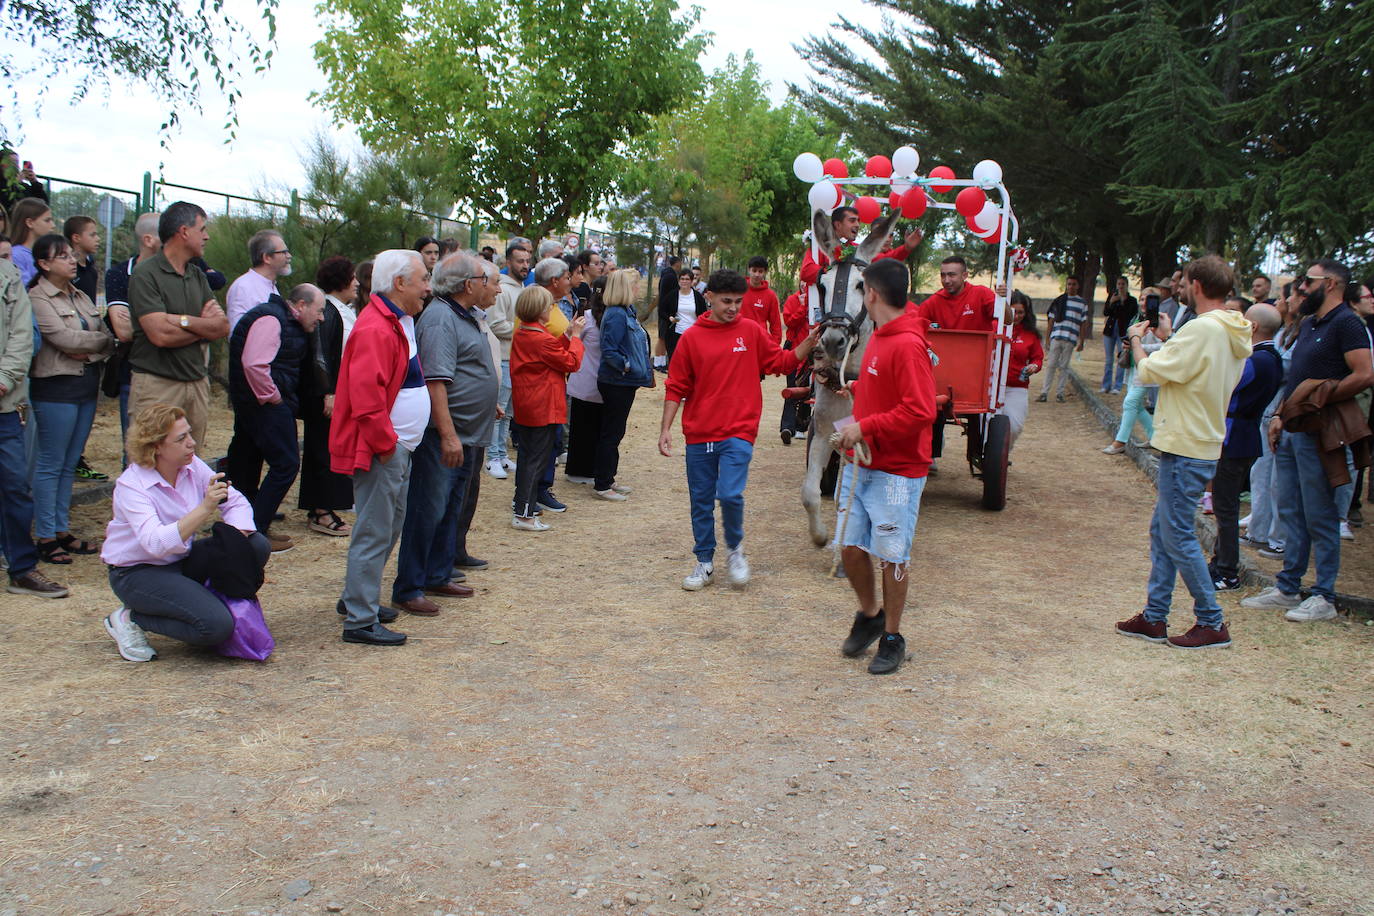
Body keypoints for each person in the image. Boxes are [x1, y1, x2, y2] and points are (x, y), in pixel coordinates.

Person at [1115, 255, 1253, 650]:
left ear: (1196, 285)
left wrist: (1139, 340)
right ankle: (1154, 617)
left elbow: (1151, 372)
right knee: (1164, 531)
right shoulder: (1229, 328)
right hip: (1199, 438)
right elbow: (1190, 368)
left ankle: (1211, 621)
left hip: (1186, 442)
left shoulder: (1205, 329)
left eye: (1184, 282)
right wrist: (1169, 337)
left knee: (1175, 534)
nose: (1178, 288)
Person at [658, 269, 819, 591]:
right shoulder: (691, 338)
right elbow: (676, 386)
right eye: (726, 301)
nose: (733, 308)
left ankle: (735, 551)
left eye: (738, 302)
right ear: (710, 298)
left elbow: (783, 362)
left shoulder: (751, 331)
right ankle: (704, 562)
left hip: (739, 431)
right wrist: (665, 429)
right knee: (701, 501)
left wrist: (808, 344)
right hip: (700, 433)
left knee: (729, 494)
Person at [1242, 259, 1374, 622]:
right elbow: (1299, 377)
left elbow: (1365, 375)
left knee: (1321, 515)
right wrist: (1282, 414)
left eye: (1306, 282)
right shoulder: (1311, 323)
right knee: (1290, 511)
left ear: (1330, 284)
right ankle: (1288, 587)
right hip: (1293, 429)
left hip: (1321, 433)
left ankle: (1323, 596)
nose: (1299, 289)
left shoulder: (1348, 324)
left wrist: (1320, 398)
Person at [99, 405, 269, 661]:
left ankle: (211, 602)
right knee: (216, 627)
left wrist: (236, 539)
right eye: (181, 439)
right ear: (155, 446)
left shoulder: (192, 466)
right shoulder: (131, 486)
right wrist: (204, 509)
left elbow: (235, 503)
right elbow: (155, 543)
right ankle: (130, 617)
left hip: (181, 559)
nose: (192, 443)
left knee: (255, 544)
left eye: (189, 434)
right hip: (138, 572)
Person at [833, 259, 937, 675]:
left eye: (862, 291)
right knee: (850, 545)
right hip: (861, 463)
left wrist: (866, 425)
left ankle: (892, 636)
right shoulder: (878, 335)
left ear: (872, 294)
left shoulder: (907, 344)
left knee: (893, 556)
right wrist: (861, 388)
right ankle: (870, 614)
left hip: (897, 471)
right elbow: (890, 389)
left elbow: (920, 410)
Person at [330, 249, 432, 646]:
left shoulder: (397, 319)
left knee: (386, 526)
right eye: (423, 278)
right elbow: (366, 398)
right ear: (400, 283)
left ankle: (360, 599)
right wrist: (387, 446)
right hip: (382, 449)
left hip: (395, 447)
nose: (428, 286)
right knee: (375, 531)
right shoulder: (376, 327)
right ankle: (359, 619)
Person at [390, 251, 499, 615]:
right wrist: (448, 434)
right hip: (444, 437)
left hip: (467, 433)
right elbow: (435, 380)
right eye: (486, 280)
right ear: (468, 285)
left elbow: (465, 371)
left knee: (449, 508)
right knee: (428, 509)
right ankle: (410, 586)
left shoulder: (461, 316)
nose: (490, 287)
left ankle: (437, 574)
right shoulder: (439, 318)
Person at [26, 233, 115, 563]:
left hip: (85, 387)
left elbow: (104, 337)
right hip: (55, 390)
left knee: (68, 463)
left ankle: (61, 529)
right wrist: (92, 343)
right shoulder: (37, 297)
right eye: (62, 256)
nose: (71, 260)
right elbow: (61, 337)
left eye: (70, 255)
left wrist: (87, 346)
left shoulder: (79, 294)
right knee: (51, 463)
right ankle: (45, 536)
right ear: (44, 264)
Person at [225, 283, 327, 552]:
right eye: (319, 310)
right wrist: (274, 398)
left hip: (260, 403)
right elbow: (254, 364)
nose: (321, 318)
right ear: (301, 306)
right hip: (265, 404)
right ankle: (254, 532)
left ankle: (249, 529)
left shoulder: (282, 319)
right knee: (286, 465)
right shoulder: (272, 318)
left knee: (249, 465)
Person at [126, 202, 229, 452]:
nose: (207, 236)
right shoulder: (146, 274)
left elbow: (222, 327)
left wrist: (183, 320)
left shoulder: (197, 276)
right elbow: (160, 335)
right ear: (184, 232)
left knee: (190, 466)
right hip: (157, 386)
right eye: (202, 229)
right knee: (150, 462)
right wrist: (203, 330)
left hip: (196, 384)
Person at [1207, 303, 1284, 591]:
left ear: (1252, 327)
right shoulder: (1271, 358)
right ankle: (1220, 562)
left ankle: (1226, 570)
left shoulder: (1258, 360)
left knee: (1225, 508)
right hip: (1244, 434)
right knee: (1224, 505)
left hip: (1236, 436)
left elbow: (1226, 385)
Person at [509, 286, 584, 530]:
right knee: (536, 460)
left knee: (529, 457)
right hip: (542, 405)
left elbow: (552, 353)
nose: (551, 310)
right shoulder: (539, 338)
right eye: (549, 306)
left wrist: (567, 336)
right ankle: (525, 513)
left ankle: (522, 506)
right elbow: (571, 362)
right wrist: (576, 339)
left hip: (530, 404)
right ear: (540, 310)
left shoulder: (526, 333)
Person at [298, 256, 357, 537]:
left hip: (339, 393)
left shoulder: (341, 310)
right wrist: (328, 392)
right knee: (321, 450)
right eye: (352, 277)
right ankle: (320, 510)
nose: (357, 282)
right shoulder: (329, 311)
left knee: (331, 449)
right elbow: (321, 354)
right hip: (327, 395)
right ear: (341, 280)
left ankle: (328, 504)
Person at [593, 268, 654, 501]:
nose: (638, 289)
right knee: (611, 432)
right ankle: (602, 483)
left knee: (616, 431)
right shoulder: (617, 314)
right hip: (616, 381)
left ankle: (608, 478)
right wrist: (627, 366)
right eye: (636, 285)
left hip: (624, 382)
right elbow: (609, 351)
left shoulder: (626, 312)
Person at [104, 211, 162, 455]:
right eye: (166, 234)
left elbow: (211, 324)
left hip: (176, 375)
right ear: (148, 240)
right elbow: (123, 331)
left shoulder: (186, 272)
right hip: (135, 375)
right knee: (138, 453)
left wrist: (147, 319)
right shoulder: (118, 274)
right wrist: (163, 322)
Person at [484, 240, 531, 479]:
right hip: (502, 358)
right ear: (508, 262)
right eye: (519, 260)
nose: (525, 265)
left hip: (517, 359)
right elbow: (495, 324)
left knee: (509, 413)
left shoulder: (522, 289)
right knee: (498, 411)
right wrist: (525, 330)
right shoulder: (502, 289)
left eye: (527, 260)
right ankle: (492, 457)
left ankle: (502, 454)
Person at [1101, 287, 1165, 454]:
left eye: (1148, 299)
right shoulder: (1138, 318)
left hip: (1147, 368)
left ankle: (1120, 441)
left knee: (1130, 402)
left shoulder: (1159, 320)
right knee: (1136, 406)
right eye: (1142, 299)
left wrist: (1140, 345)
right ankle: (1154, 436)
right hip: (1132, 366)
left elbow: (1165, 345)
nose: (1144, 303)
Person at [565, 277, 607, 485]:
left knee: (591, 426)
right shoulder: (586, 317)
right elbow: (571, 340)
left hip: (595, 381)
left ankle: (588, 467)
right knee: (583, 427)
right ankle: (578, 469)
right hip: (586, 378)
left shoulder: (609, 317)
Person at [999, 291, 1043, 449]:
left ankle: (1002, 454)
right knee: (987, 424)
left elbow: (1037, 358)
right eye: (1013, 311)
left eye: (1021, 312)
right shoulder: (995, 327)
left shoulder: (1031, 334)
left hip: (1017, 387)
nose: (1016, 316)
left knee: (1015, 426)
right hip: (992, 385)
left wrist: (1034, 366)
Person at [226, 229, 291, 331]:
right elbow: (237, 333)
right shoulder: (243, 287)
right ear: (267, 258)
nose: (289, 256)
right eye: (284, 252)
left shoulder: (271, 286)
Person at [1036, 276, 1087, 402]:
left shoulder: (1082, 303)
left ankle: (1060, 393)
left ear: (1078, 286)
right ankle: (1044, 392)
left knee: (1064, 366)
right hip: (1057, 336)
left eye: (1074, 284)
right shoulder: (1059, 301)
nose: (1071, 286)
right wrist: (1047, 338)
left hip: (1070, 338)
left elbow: (1083, 323)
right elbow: (1051, 320)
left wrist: (1082, 341)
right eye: (1069, 284)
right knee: (1051, 365)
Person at [913, 256, 997, 331]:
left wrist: (1002, 299)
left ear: (964, 275)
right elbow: (915, 326)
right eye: (943, 275)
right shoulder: (933, 301)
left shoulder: (982, 294)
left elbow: (1007, 320)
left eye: (951, 275)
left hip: (980, 348)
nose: (946, 280)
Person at [779, 289, 813, 445]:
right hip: (794, 352)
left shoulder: (818, 299)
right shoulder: (793, 300)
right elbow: (790, 322)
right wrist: (802, 306)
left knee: (808, 390)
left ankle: (801, 426)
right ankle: (787, 427)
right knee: (791, 389)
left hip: (812, 353)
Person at [1101, 277, 1136, 393]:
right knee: (1108, 359)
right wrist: (1111, 302)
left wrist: (1122, 302)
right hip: (1110, 330)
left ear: (1127, 285)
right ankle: (1106, 385)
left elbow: (1130, 315)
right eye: (1119, 284)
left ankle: (1118, 386)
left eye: (1123, 284)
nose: (1120, 286)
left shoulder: (1131, 300)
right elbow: (1106, 312)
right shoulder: (1112, 297)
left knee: (1122, 357)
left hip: (1123, 332)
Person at [8, 197, 54, 284]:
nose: (53, 225)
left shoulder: (45, 252)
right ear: (30, 223)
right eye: (47, 220)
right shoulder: (16, 255)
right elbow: (25, 290)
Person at [664, 267, 707, 360]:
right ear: (679, 281)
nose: (684, 281)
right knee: (676, 359)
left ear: (691, 281)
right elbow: (662, 311)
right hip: (676, 333)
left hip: (693, 333)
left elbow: (704, 313)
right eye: (682, 279)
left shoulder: (697, 297)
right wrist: (670, 318)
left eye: (687, 279)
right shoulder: (672, 295)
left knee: (692, 359)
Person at [740, 256, 782, 342]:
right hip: (738, 339)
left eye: (760, 271)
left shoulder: (770, 295)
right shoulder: (738, 289)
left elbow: (776, 325)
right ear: (749, 270)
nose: (757, 274)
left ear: (765, 272)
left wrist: (774, 346)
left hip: (759, 341)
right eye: (754, 270)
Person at [653, 255, 682, 373]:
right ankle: (658, 363)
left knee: (663, 337)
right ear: (677, 263)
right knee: (662, 338)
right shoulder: (670, 276)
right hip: (665, 310)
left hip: (663, 309)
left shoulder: (667, 274)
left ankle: (660, 362)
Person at [63, 216, 100, 303]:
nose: (98, 239)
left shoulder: (91, 269)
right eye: (92, 235)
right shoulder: (67, 271)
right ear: (76, 238)